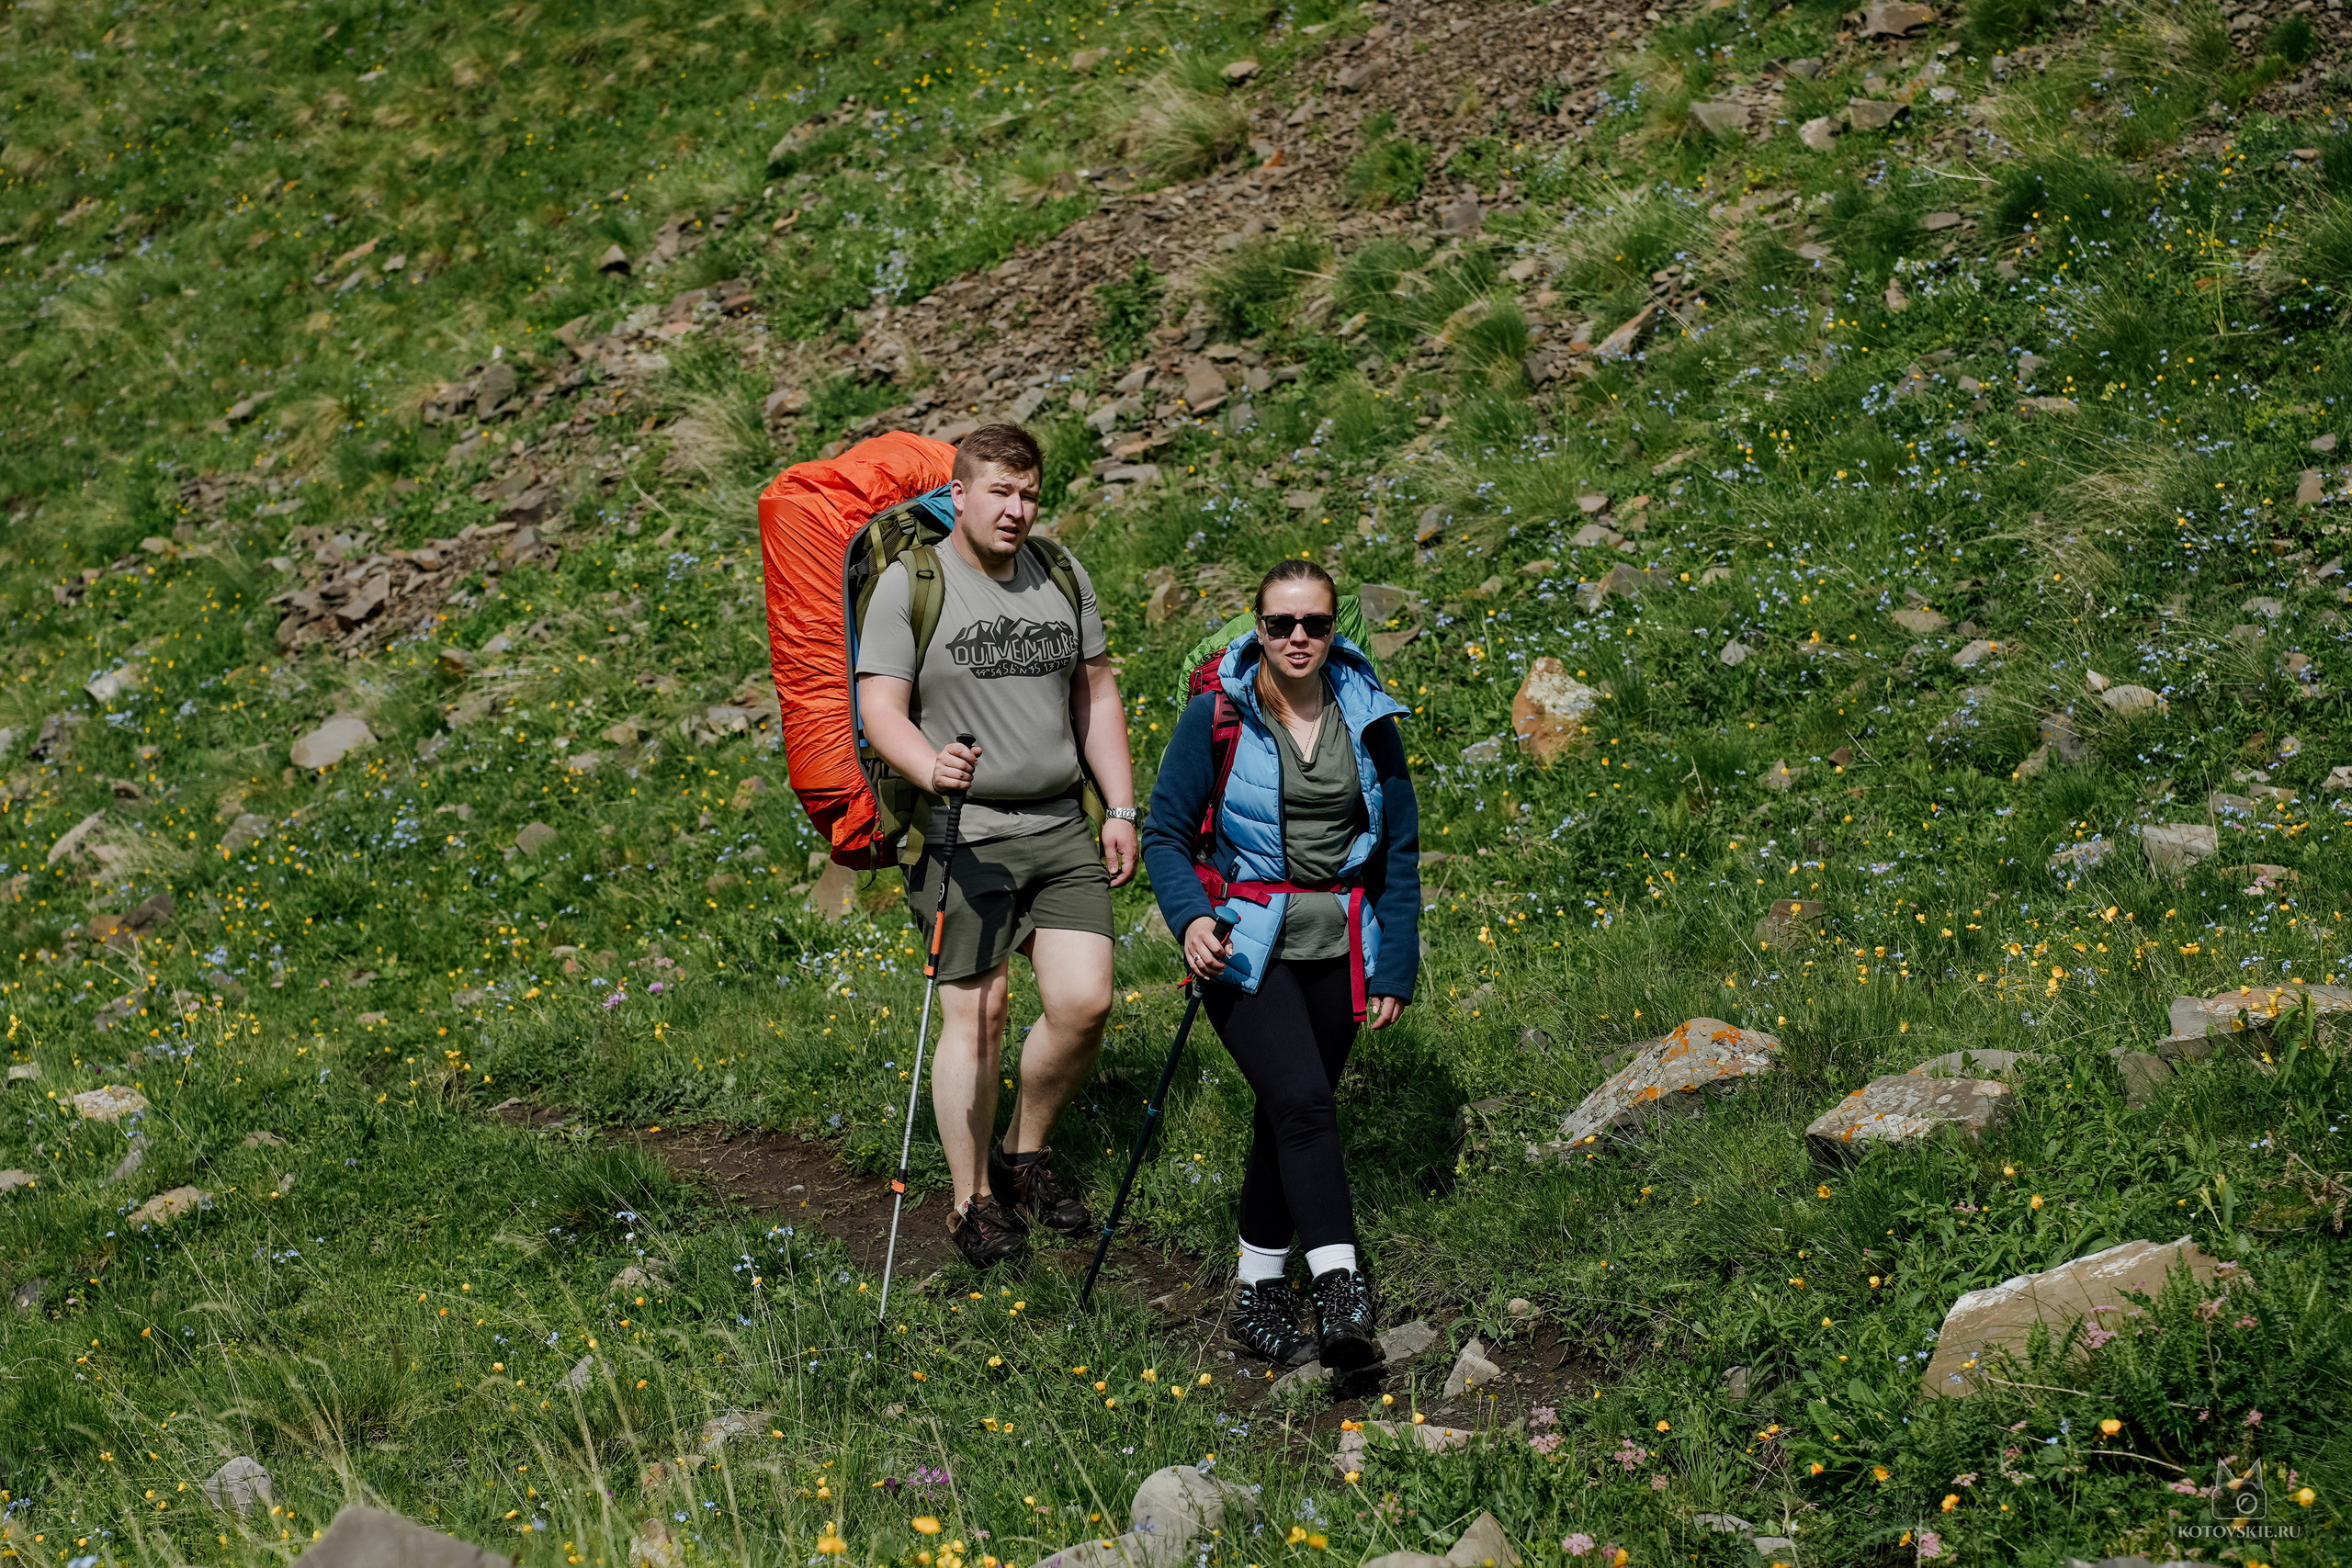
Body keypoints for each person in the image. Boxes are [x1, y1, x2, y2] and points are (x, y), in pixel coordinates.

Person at [854, 424, 1140, 1269]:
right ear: (961, 495)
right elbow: (879, 708)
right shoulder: (913, 584)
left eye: (1029, 495)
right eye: (999, 493)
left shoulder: (1060, 571)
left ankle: (1024, 1149)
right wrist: (928, 764)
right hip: (961, 831)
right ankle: (971, 1197)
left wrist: (1119, 805)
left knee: (1085, 1004)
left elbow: (1096, 693)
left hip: (1058, 822)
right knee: (977, 1014)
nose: (1016, 511)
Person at [1139, 559, 1419, 1371]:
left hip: (1340, 944)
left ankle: (1256, 1295)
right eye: (1281, 624)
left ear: (1336, 631)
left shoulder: (1369, 719)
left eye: (1316, 624)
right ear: (1256, 629)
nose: (1299, 638)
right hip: (1240, 945)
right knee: (1300, 1099)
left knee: (1288, 1111)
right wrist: (1190, 918)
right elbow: (1164, 834)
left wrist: (1395, 965)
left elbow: (1397, 853)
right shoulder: (1215, 716)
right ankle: (1342, 1287)